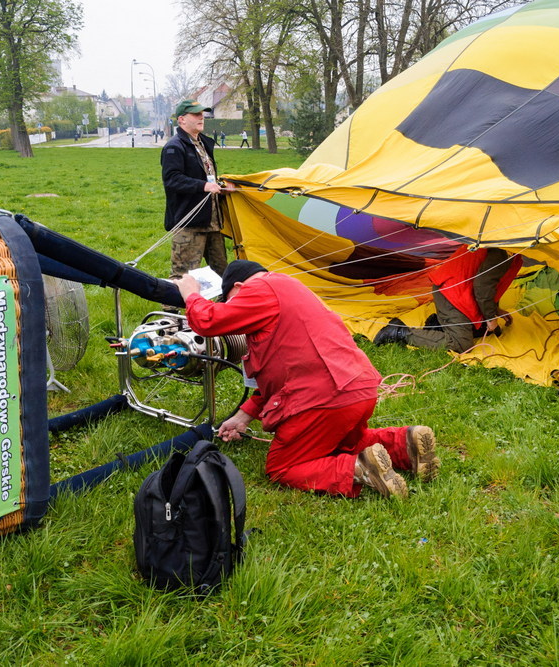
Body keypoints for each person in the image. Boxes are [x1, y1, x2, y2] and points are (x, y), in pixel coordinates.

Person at [177, 260, 441, 499]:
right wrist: (243, 416)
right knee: (342, 443)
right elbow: (280, 378)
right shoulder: (291, 292)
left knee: (283, 467)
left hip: (323, 398)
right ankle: (405, 445)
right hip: (356, 389)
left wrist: (190, 292)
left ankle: (358, 469)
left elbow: (208, 321)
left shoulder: (260, 288)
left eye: (231, 300)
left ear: (238, 286)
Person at [374, 247, 522, 352]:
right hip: (452, 294)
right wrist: (490, 317)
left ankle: (438, 325)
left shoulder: (501, 245)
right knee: (461, 344)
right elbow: (482, 285)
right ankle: (399, 332)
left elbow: (489, 285)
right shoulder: (503, 252)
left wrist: (496, 310)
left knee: (490, 331)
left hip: (458, 291)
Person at [161, 99, 229, 280]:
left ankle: (226, 306)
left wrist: (221, 184)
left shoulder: (203, 143)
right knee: (183, 275)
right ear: (182, 119)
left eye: (202, 114)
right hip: (189, 222)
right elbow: (172, 179)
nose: (202, 117)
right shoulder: (174, 147)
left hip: (212, 221)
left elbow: (205, 173)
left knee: (223, 272)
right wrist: (204, 186)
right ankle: (170, 308)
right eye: (196, 114)